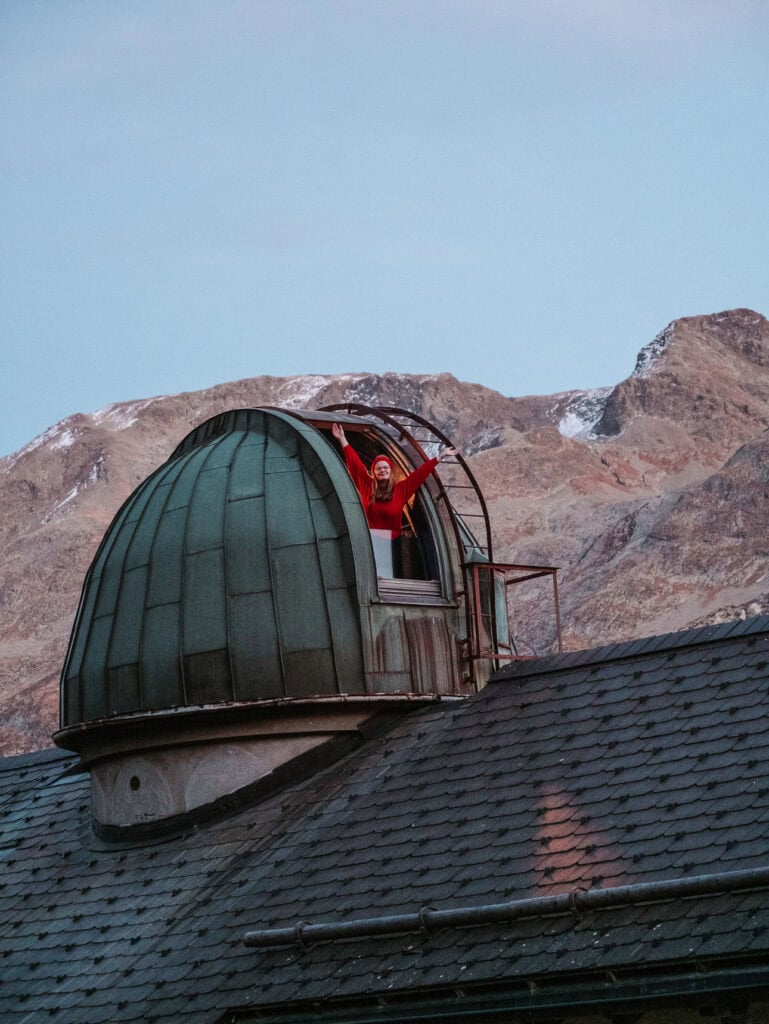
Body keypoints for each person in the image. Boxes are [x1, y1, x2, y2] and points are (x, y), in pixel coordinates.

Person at [331, 423, 457, 538]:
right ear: (373, 472)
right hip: (371, 543)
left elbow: (419, 474)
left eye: (385, 467)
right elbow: (355, 465)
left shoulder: (400, 490)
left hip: (394, 547)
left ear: (391, 470)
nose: (382, 470)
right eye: (378, 468)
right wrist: (342, 438)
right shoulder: (367, 486)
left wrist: (440, 456)